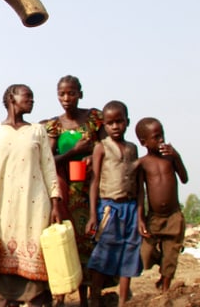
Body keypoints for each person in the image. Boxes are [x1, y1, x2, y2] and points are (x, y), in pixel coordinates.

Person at [0, 84, 61, 307]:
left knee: (36, 262)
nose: (32, 101)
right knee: (5, 264)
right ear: (12, 98)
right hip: (3, 207)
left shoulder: (37, 131)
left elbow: (49, 169)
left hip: (35, 206)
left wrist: (55, 204)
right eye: (28, 96)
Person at [43, 75, 104, 306]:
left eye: (71, 93)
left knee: (89, 242)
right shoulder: (54, 126)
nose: (66, 98)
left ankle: (87, 297)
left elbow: (107, 146)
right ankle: (60, 294)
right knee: (65, 242)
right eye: (62, 94)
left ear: (80, 94)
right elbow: (49, 159)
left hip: (91, 189)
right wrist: (73, 152)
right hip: (65, 191)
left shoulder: (94, 119)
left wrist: (92, 155)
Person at [85, 100, 143, 307]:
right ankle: (95, 297)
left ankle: (122, 300)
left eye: (120, 121)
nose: (115, 126)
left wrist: (140, 215)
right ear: (105, 126)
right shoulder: (101, 148)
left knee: (130, 250)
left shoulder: (132, 148)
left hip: (130, 207)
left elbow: (138, 183)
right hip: (109, 207)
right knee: (104, 251)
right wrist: (93, 214)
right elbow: (95, 181)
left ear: (127, 122)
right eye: (110, 123)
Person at [135, 117, 188, 292]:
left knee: (171, 254)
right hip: (154, 217)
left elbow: (184, 178)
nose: (161, 140)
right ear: (144, 142)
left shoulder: (170, 158)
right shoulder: (143, 164)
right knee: (145, 255)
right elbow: (140, 192)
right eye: (156, 137)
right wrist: (140, 218)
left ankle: (165, 287)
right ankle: (161, 261)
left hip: (173, 215)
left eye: (162, 135)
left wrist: (177, 156)